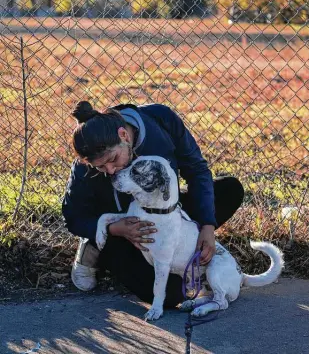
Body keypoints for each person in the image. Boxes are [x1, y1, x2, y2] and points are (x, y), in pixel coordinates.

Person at [62, 100, 244, 307]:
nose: (111, 171)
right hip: (123, 230)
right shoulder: (85, 164)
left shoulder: (161, 119)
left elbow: (197, 170)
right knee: (172, 296)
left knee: (230, 190)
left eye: (113, 159)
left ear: (123, 135)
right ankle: (95, 245)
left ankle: (179, 249)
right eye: (101, 168)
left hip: (163, 214)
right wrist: (112, 228)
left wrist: (207, 225)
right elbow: (72, 216)